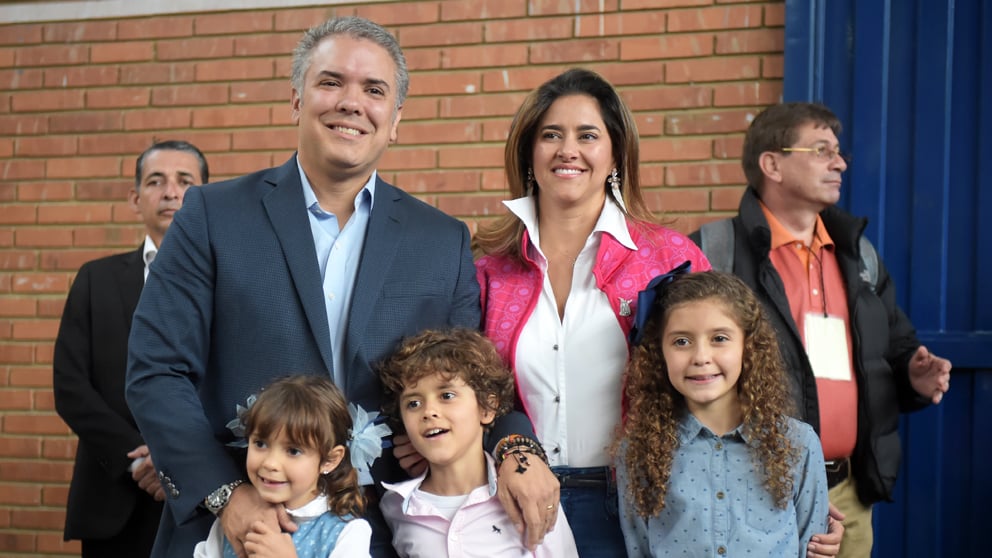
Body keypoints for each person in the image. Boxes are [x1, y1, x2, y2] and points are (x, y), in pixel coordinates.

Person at [125, 17, 542, 558]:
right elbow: (156, 368)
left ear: (394, 120)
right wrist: (226, 497)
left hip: (386, 528)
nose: (351, 102)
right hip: (233, 526)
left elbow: (479, 378)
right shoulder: (211, 216)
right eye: (331, 82)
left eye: (374, 90)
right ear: (297, 101)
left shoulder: (440, 240)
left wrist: (518, 448)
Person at [688, 101, 952, 557]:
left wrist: (913, 374)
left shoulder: (857, 254)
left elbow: (895, 345)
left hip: (850, 493)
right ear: (772, 163)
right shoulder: (715, 250)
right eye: (821, 150)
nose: (840, 162)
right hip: (758, 488)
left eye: (838, 151)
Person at [473, 68, 712, 557]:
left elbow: (730, 377)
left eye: (587, 135)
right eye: (551, 135)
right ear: (528, 153)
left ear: (615, 153)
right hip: (511, 506)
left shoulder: (670, 258)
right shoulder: (488, 270)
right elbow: (468, 388)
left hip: (640, 506)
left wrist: (791, 490)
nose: (568, 150)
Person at [52, 140, 208, 557]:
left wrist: (175, 454)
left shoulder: (230, 281)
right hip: (113, 492)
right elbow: (70, 387)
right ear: (136, 199)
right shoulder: (95, 280)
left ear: (206, 197)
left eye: (185, 181)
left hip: (202, 496)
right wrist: (138, 458)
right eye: (156, 181)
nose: (171, 192)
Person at [616, 269, 829, 557]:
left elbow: (813, 544)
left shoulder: (798, 443)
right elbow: (639, 547)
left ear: (748, 347)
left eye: (719, 338)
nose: (701, 357)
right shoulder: (639, 451)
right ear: (660, 352)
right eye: (681, 341)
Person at [378, 329, 578, 558]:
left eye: (447, 396)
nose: (429, 412)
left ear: (487, 408)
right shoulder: (396, 506)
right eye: (413, 403)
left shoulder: (530, 495)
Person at [194, 375, 373, 558]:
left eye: (293, 451)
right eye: (261, 444)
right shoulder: (236, 520)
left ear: (330, 460)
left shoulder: (345, 534)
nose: (270, 463)